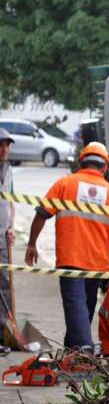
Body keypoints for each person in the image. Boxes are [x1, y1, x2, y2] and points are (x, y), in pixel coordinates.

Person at [24, 142, 109, 349]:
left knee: (77, 309)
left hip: (71, 260)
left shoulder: (65, 184)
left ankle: (81, 350)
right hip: (98, 265)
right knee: (82, 310)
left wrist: (32, 244)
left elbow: (42, 214)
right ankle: (79, 349)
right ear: (105, 166)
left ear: (81, 162)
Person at [0, 129, 14, 321]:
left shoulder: (9, 170)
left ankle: (3, 327)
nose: (4, 150)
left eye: (7, 146)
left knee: (4, 283)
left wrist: (11, 227)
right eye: (0, 146)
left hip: (3, 236)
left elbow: (11, 202)